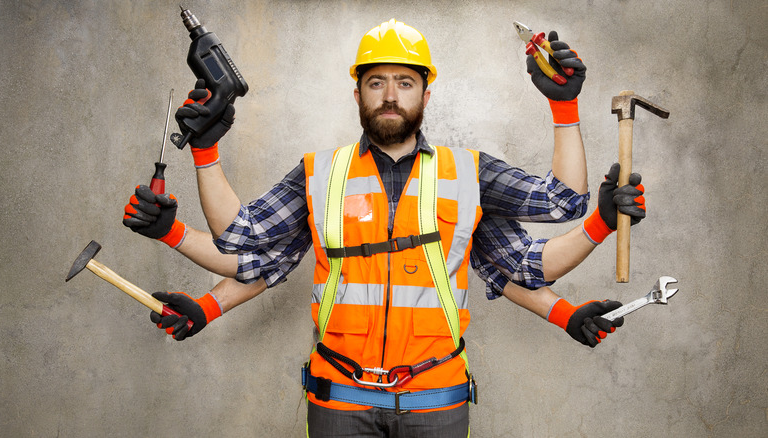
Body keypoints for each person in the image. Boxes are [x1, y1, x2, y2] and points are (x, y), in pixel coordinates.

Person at [123, 19, 645, 437]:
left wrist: (564, 106)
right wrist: (206, 150)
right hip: (338, 402)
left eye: (404, 82)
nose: (390, 95)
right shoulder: (318, 175)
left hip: (436, 404)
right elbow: (242, 241)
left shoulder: (468, 175)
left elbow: (556, 214)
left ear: (425, 94)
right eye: (376, 83)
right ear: (357, 95)